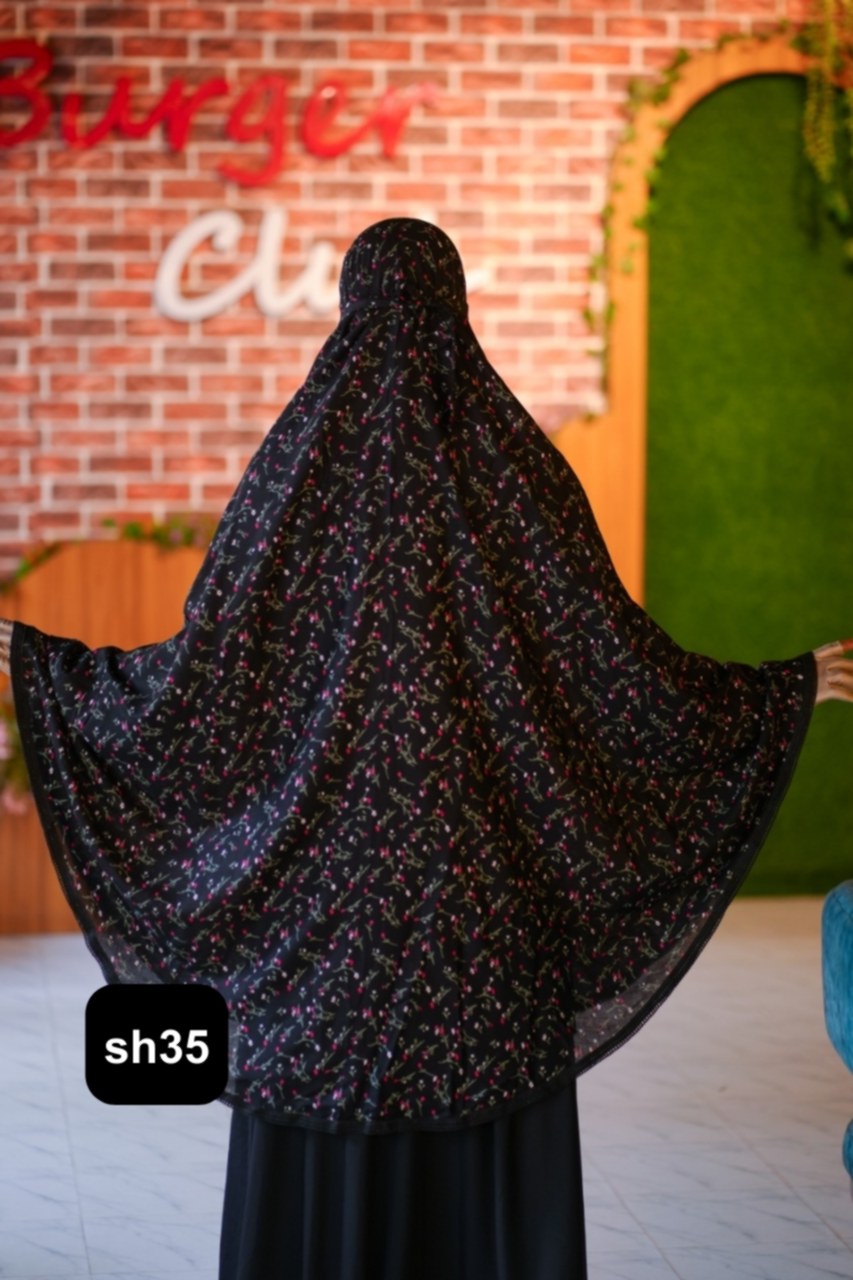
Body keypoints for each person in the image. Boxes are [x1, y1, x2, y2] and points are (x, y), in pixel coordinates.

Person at [1, 217, 852, 1280]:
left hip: (321, 938)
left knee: (322, 1108)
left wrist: (51, 670)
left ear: (348, 308)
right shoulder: (516, 474)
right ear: (457, 307)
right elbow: (613, 666)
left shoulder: (293, 479)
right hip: (485, 929)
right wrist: (775, 691)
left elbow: (204, 680)